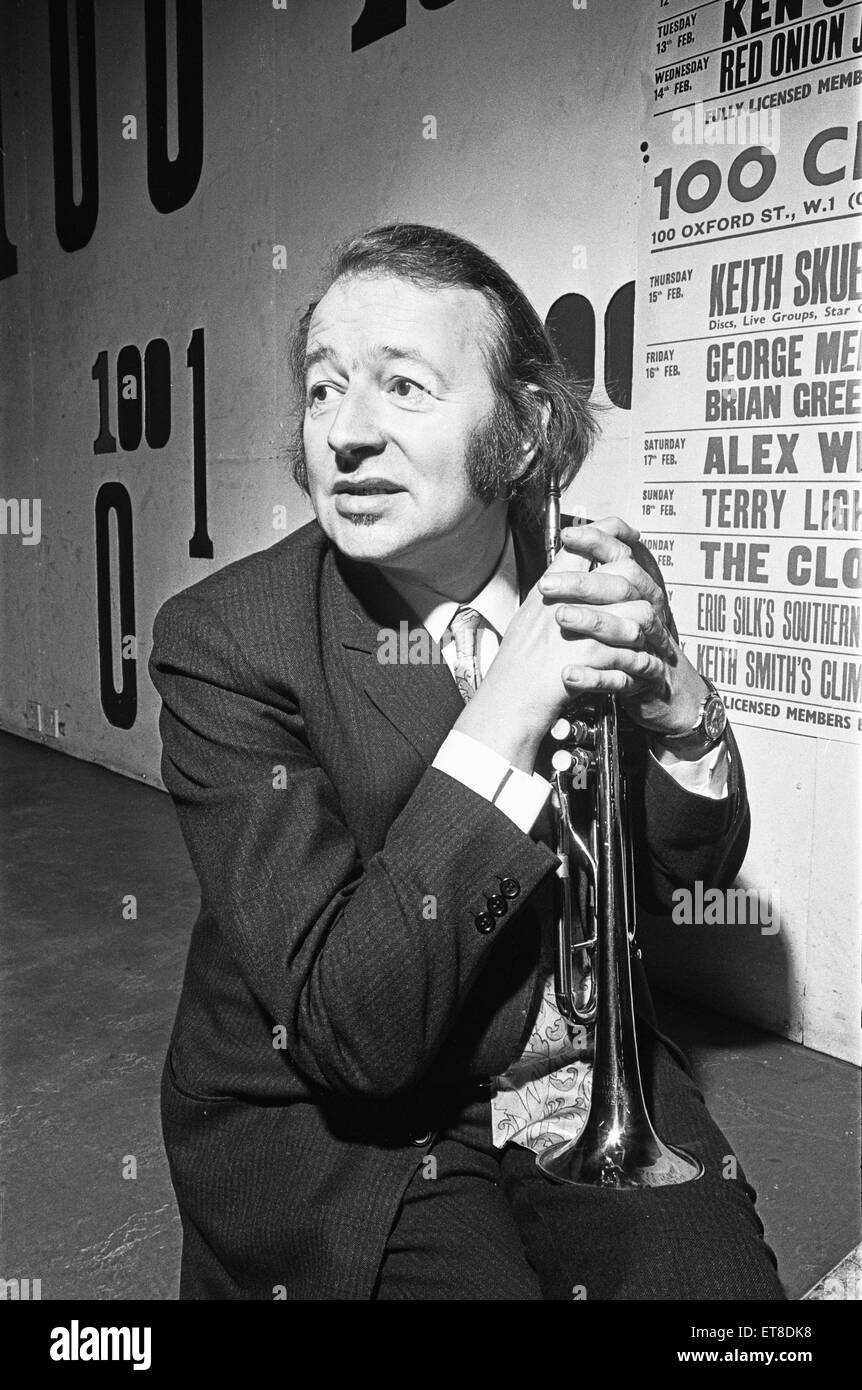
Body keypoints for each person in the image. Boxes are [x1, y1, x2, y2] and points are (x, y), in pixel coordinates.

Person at [149, 222, 785, 1300]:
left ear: (524, 428)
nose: (344, 434)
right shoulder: (225, 639)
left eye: (403, 387)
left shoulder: (586, 569)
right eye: (321, 389)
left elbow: (678, 885)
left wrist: (684, 721)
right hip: (346, 1123)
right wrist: (508, 706)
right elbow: (352, 1028)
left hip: (584, 1075)